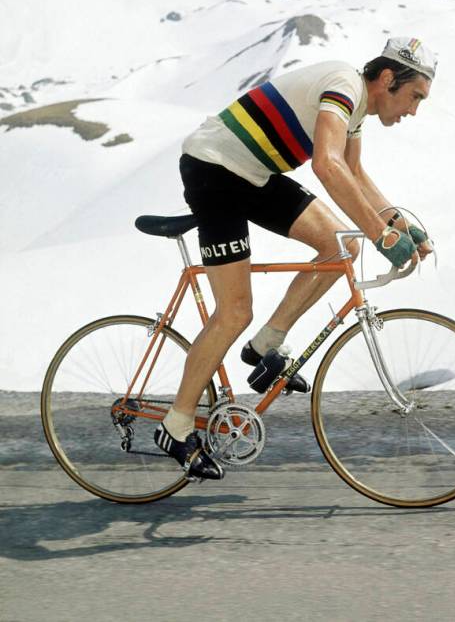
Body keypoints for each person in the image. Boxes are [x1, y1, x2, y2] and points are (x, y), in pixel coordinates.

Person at [154, 37, 438, 479]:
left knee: (341, 246)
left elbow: (354, 172)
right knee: (234, 311)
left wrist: (398, 225)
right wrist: (380, 233)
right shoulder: (343, 85)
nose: (414, 111)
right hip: (214, 170)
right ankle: (177, 423)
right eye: (415, 96)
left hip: (252, 173)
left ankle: (266, 344)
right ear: (388, 79)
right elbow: (327, 164)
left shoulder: (356, 108)